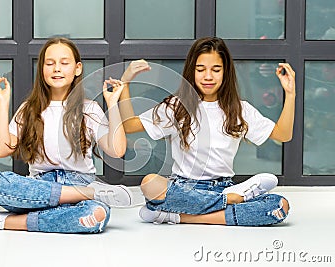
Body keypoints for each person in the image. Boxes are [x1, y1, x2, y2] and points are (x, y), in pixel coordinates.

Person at [119, 37, 295, 226]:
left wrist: (290, 93)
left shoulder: (240, 109)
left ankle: (177, 216)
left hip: (222, 186)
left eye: (216, 70)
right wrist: (125, 83)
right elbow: (129, 126)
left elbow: (283, 135)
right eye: (201, 70)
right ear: (191, 71)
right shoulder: (177, 106)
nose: (208, 77)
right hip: (184, 187)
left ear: (225, 72)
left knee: (279, 205)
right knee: (149, 183)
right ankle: (230, 201)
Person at [0, 37, 133, 234]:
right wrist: (3, 103)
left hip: (77, 183)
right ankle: (85, 196)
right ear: (42, 70)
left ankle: (6, 222)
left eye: (64, 63)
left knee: (96, 215)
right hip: (41, 186)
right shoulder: (29, 109)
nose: (57, 69)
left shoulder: (90, 109)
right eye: (50, 63)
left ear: (77, 68)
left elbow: (117, 150)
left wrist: (112, 104)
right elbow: (2, 149)